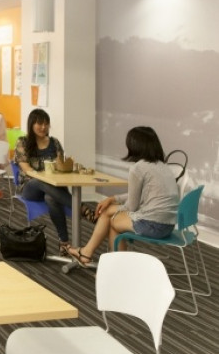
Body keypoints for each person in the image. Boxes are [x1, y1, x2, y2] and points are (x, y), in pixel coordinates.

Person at [67, 127, 179, 267]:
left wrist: (111, 208)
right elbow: (142, 195)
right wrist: (113, 199)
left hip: (153, 225)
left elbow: (132, 206)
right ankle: (89, 254)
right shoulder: (163, 166)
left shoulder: (138, 168)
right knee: (110, 215)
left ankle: (109, 264)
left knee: (113, 221)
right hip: (168, 225)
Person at [14, 109, 82, 256]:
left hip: (53, 188)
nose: (43, 127)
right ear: (32, 124)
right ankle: (80, 208)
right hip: (30, 187)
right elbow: (27, 170)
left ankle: (64, 243)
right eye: (39, 123)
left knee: (50, 198)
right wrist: (44, 176)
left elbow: (61, 166)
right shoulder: (23, 142)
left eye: (46, 124)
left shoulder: (54, 143)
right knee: (40, 181)